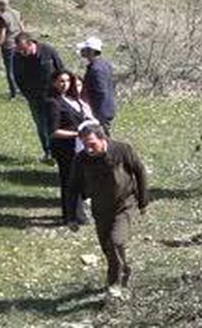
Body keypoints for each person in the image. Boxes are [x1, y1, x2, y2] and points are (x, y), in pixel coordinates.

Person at [71, 123, 149, 292]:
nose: (89, 149)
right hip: (100, 209)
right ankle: (124, 270)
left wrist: (143, 201)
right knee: (107, 248)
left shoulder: (121, 150)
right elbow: (73, 186)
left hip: (124, 206)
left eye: (92, 144)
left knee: (116, 241)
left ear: (103, 138)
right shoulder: (81, 159)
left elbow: (140, 171)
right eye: (85, 145)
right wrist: (71, 216)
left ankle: (114, 285)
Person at [49, 71, 96, 228]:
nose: (65, 84)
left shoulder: (73, 99)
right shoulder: (53, 103)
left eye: (67, 81)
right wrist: (78, 133)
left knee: (80, 180)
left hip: (79, 146)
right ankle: (71, 216)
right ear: (54, 83)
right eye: (61, 81)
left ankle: (79, 213)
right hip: (65, 148)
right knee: (69, 181)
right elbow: (54, 131)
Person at [14, 32, 66, 163]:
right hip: (35, 98)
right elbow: (18, 78)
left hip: (53, 96)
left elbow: (61, 69)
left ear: (31, 44)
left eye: (24, 50)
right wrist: (28, 95)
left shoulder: (48, 51)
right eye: (19, 50)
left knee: (56, 125)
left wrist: (63, 90)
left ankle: (60, 152)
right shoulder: (17, 57)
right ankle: (48, 152)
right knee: (41, 125)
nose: (22, 53)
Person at [0, 0, 25, 99]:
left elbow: (2, 35)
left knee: (10, 70)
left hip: (9, 46)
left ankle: (14, 93)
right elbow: (22, 28)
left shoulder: (3, 17)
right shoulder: (17, 13)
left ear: (0, 5)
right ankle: (22, 90)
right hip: (19, 43)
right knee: (19, 68)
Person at [79, 37, 117, 135]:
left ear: (91, 51)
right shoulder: (104, 64)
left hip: (101, 112)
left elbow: (101, 92)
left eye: (85, 49)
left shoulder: (96, 69)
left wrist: (94, 114)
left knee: (102, 138)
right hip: (107, 108)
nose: (82, 51)